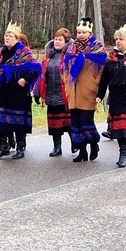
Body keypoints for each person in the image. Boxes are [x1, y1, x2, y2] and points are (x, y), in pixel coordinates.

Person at [0, 22, 41, 160]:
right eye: (6, 35)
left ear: (17, 38)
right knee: (0, 120)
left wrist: (25, 79)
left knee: (18, 122)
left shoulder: (24, 52)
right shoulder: (1, 52)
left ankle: (20, 147)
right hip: (3, 91)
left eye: (10, 36)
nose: (7, 38)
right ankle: (3, 147)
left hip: (18, 92)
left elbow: (36, 68)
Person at [96, 24, 126, 167]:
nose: (118, 41)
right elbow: (105, 77)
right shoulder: (112, 57)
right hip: (116, 96)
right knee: (117, 127)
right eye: (116, 39)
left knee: (124, 127)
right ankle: (122, 150)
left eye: (121, 39)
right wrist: (100, 94)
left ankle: (123, 153)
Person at [63, 17, 107, 161]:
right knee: (75, 122)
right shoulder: (71, 47)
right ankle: (82, 151)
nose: (81, 35)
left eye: (84, 32)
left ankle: (93, 144)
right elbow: (65, 67)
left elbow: (103, 70)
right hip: (73, 91)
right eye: (79, 32)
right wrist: (66, 80)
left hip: (88, 91)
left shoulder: (97, 47)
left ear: (90, 33)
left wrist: (95, 84)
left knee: (86, 120)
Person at [34, 28, 73, 157]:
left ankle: (75, 143)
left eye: (60, 40)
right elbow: (41, 75)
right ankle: (57, 147)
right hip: (51, 94)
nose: (57, 42)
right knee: (54, 123)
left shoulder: (70, 56)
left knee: (69, 123)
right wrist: (37, 91)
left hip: (65, 95)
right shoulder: (48, 56)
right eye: (55, 39)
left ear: (66, 42)